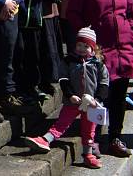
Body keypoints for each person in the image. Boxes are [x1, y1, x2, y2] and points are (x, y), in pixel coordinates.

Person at [67, 0, 133, 157]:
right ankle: (94, 138)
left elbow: (132, 13)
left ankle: (115, 137)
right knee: (99, 96)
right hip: (99, 50)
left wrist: (132, 33)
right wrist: (87, 38)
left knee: (118, 96)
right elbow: (73, 13)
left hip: (124, 49)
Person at [24, 27, 109, 169]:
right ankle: (45, 140)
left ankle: (88, 154)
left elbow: (104, 84)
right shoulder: (69, 61)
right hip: (73, 102)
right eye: (79, 45)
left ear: (93, 48)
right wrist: (70, 95)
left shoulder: (98, 64)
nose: (82, 49)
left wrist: (98, 100)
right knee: (62, 122)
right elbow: (64, 80)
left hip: (91, 104)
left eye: (86, 46)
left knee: (89, 129)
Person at [15, 0, 61, 100]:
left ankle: (36, 85)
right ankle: (24, 87)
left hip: (36, 20)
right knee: (23, 54)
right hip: (20, 18)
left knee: (36, 55)